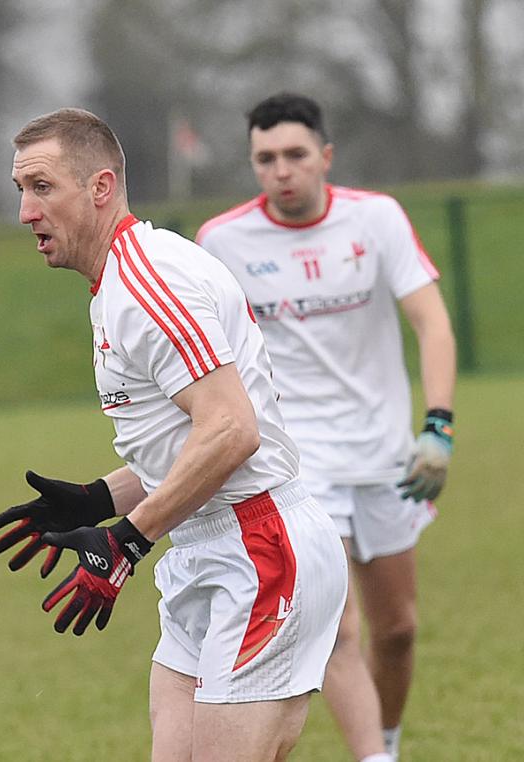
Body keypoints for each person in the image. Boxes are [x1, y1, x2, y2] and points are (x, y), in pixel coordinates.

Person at [0, 107, 348, 762]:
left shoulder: (147, 285)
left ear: (99, 187)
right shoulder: (121, 283)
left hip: (259, 547)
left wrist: (125, 539)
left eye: (42, 188)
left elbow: (233, 430)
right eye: (20, 191)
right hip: (205, 546)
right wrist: (100, 500)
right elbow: (204, 435)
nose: (26, 212)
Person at [195, 93, 457, 762]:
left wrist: (439, 425)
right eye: (264, 159)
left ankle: (386, 742)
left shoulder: (376, 219)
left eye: (294, 155)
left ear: (325, 157)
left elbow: (430, 321)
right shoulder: (222, 242)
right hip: (299, 464)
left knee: (397, 630)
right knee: (338, 629)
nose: (280, 171)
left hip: (385, 454)